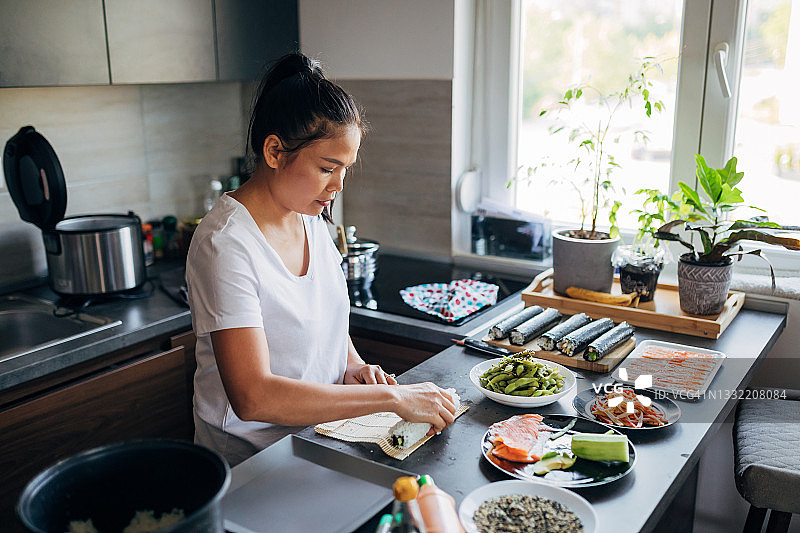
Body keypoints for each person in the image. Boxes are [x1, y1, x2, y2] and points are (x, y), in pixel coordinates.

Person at [185, 52, 458, 466]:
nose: (338, 185)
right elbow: (253, 397)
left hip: (319, 440)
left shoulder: (309, 214)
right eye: (328, 167)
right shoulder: (225, 244)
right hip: (252, 465)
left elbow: (324, 316)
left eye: (345, 169)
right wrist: (391, 397)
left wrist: (353, 365)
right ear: (275, 151)